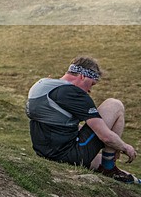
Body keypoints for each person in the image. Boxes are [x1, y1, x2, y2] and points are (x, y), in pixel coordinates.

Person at [26, 55, 138, 183]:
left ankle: (131, 179)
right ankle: (109, 168)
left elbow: (57, 126)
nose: (90, 90)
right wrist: (124, 147)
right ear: (83, 76)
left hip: (46, 153)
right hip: (69, 155)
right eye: (92, 84)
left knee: (120, 172)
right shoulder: (73, 93)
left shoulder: (43, 85)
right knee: (114, 104)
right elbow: (105, 136)